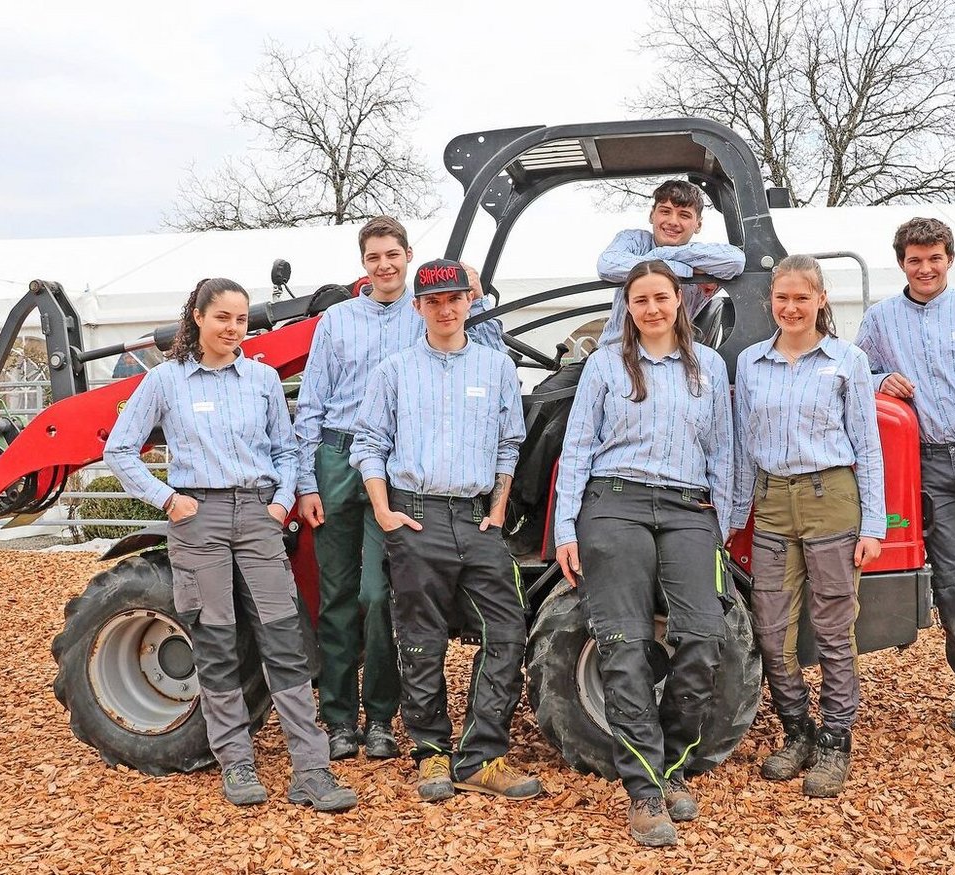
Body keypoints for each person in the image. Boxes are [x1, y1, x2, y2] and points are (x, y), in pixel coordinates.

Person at [105, 278, 356, 812]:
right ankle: (237, 763)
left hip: (258, 515)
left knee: (283, 638)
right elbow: (120, 448)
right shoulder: (165, 382)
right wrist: (168, 500)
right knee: (217, 643)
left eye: (241, 319)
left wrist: (279, 502)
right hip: (198, 518)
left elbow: (286, 449)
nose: (233, 328)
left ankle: (311, 771)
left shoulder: (262, 379)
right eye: (222, 317)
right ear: (196, 316)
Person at [294, 217, 502, 762]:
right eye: (373, 258)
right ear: (363, 265)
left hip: (398, 465)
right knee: (335, 594)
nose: (384, 265)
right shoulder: (337, 322)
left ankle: (381, 715)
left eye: (393, 255)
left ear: (408, 256)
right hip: (340, 458)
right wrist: (306, 480)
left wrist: (476, 294)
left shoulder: (430, 306)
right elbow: (311, 404)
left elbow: (485, 348)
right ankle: (339, 718)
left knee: (378, 594)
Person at [554, 260, 733, 847]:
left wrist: (721, 529)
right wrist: (565, 529)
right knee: (623, 645)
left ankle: (674, 761)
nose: (652, 308)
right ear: (627, 308)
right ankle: (647, 790)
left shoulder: (708, 367)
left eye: (661, 297)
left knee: (704, 639)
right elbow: (578, 448)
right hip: (615, 503)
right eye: (640, 300)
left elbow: (724, 456)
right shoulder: (606, 366)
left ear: (679, 302)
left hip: (688, 510)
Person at [350, 258, 541, 803]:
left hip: (478, 516)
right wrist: (386, 514)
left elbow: (510, 443)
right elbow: (369, 446)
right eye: (433, 301)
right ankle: (432, 753)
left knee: (506, 632)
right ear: (418, 308)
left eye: (454, 298)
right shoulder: (394, 371)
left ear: (469, 302)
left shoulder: (495, 367)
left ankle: (481, 756)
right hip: (416, 514)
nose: (445, 308)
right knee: (420, 640)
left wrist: (500, 508)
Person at [853, 218, 955, 742]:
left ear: (949, 259)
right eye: (914, 260)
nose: (924, 268)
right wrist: (883, 379)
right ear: (901, 262)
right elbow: (856, 373)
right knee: (953, 582)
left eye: (934, 258)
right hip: (928, 465)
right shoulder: (880, 320)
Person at [730, 255, 885, 798]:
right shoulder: (751, 363)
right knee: (772, 631)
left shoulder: (848, 361)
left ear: (821, 299)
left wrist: (874, 525)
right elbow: (742, 447)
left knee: (834, 629)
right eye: (782, 298)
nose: (791, 308)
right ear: (770, 302)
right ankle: (798, 731)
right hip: (772, 502)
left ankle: (835, 741)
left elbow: (868, 446)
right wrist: (732, 516)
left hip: (832, 500)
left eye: (802, 297)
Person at [595, 179, 745, 346]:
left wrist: (661, 253)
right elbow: (607, 265)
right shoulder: (633, 240)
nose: (673, 221)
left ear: (698, 224)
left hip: (672, 359)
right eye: (665, 212)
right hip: (615, 351)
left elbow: (736, 261)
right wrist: (684, 270)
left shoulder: (704, 258)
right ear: (652, 215)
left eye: (684, 215)